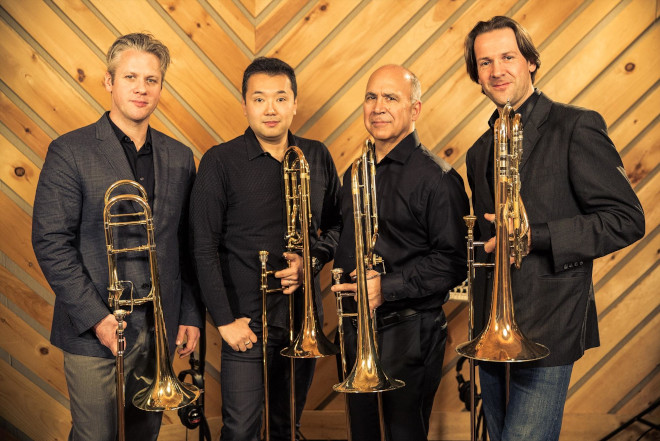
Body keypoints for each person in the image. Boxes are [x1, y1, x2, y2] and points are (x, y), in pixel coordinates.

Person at [463, 16, 646, 441]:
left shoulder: (575, 125)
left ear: (530, 61)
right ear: (477, 75)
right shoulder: (478, 151)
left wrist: (533, 236)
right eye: (485, 62)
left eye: (508, 57)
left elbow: (626, 219)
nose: (497, 70)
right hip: (492, 328)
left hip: (550, 324)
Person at [31, 33, 203, 441]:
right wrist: (97, 318)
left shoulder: (180, 156)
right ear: (109, 82)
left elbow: (187, 245)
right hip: (94, 328)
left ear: (160, 87)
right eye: (130, 77)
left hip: (159, 329)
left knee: (144, 435)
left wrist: (190, 314)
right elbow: (51, 241)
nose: (141, 88)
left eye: (151, 80)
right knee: (95, 435)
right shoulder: (69, 150)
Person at [190, 57, 341, 441]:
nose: (270, 109)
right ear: (244, 105)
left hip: (301, 318)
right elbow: (202, 247)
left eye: (280, 98)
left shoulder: (316, 155)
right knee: (241, 430)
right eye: (259, 99)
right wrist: (225, 320)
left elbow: (338, 226)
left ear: (295, 103)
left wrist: (311, 261)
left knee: (286, 427)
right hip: (246, 322)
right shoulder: (219, 161)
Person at [331, 64, 470, 441]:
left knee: (402, 434)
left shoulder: (438, 179)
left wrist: (386, 287)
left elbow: (454, 262)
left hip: (409, 330)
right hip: (355, 327)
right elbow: (342, 234)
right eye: (371, 97)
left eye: (391, 98)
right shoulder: (354, 172)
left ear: (415, 109)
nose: (378, 107)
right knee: (363, 433)